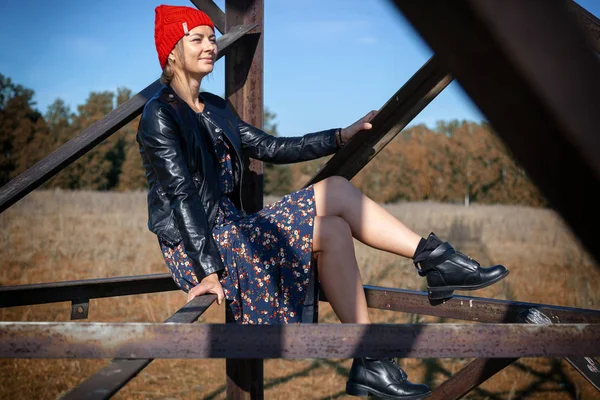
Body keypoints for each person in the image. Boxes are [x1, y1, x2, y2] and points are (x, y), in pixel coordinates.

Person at [138, 5, 509, 399]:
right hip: (200, 246)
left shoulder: (214, 107)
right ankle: (429, 275)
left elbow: (270, 146)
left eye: (212, 38)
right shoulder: (160, 115)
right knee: (327, 217)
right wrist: (208, 271)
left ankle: (392, 324)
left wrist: (339, 137)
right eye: (197, 39)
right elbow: (182, 199)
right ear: (172, 52)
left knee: (334, 201)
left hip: (233, 227)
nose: (210, 46)